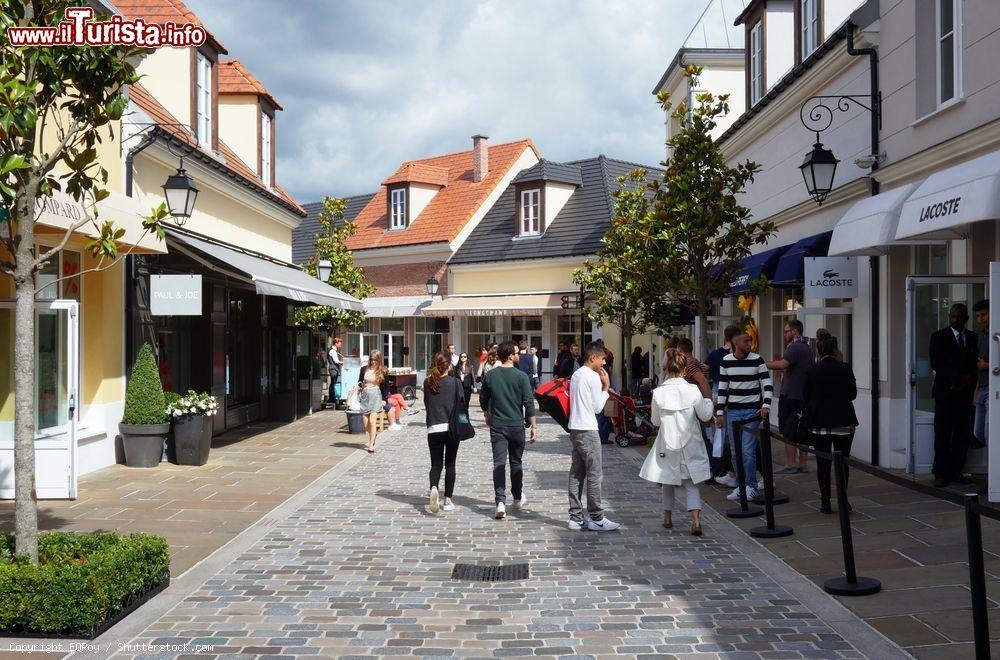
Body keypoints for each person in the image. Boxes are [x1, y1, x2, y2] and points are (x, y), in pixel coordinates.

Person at [641, 348, 714, 535]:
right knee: (691, 482)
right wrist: (709, 401)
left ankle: (667, 518)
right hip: (691, 440)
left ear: (666, 369)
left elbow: (656, 421)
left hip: (667, 440)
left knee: (667, 480)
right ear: (684, 369)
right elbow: (705, 416)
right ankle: (696, 521)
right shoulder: (692, 390)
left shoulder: (658, 393)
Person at [480, 341, 537, 519]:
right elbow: (528, 403)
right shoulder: (521, 377)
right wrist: (533, 425)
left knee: (499, 463)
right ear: (511, 356)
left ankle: (500, 502)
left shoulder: (491, 375)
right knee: (516, 462)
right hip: (516, 425)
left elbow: (483, 399)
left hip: (497, 425)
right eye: (517, 352)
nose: (519, 355)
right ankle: (518, 497)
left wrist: (487, 414)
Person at [567, 342, 620, 531]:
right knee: (594, 474)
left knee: (577, 473)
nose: (604, 363)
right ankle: (597, 517)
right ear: (593, 358)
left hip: (575, 426)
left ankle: (575, 517)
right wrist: (606, 388)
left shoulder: (576, 375)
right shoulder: (593, 377)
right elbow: (597, 407)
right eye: (602, 358)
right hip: (588, 428)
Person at [803, 336, 859, 514]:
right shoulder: (845, 368)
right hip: (843, 420)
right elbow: (853, 393)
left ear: (819, 351)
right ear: (835, 350)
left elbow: (806, 395)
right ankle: (843, 499)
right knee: (843, 463)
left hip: (820, 422)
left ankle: (825, 500)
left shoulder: (812, 370)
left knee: (823, 463)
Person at [715, 333, 772, 501]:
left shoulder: (757, 359)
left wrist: (765, 406)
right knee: (734, 452)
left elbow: (767, 385)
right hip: (733, 412)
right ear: (736, 342)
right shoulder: (726, 361)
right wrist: (719, 413)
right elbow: (723, 389)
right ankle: (741, 486)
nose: (749, 343)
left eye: (750, 340)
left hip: (752, 412)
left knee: (747, 450)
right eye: (746, 341)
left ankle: (751, 486)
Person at [929, 303, 978, 487]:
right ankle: (940, 472)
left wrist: (969, 379)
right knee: (942, 433)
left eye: (959, 317)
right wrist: (957, 379)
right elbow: (936, 363)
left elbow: (976, 364)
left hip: (965, 395)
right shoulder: (939, 337)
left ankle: (956, 470)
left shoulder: (973, 338)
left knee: (961, 434)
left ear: (966, 319)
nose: (955, 320)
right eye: (952, 317)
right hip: (945, 392)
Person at [766, 319, 814, 474]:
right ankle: (802, 464)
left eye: (787, 331)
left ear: (794, 331)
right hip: (803, 395)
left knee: (789, 430)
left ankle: (790, 463)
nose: (785, 333)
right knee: (802, 430)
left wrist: (761, 362)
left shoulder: (794, 347)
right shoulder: (807, 347)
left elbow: (781, 365)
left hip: (791, 395)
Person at [423, 352, 464, 514]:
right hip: (452, 427)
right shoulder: (455, 383)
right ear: (448, 365)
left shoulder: (428, 382)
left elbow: (427, 403)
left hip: (434, 427)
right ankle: (447, 500)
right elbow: (462, 405)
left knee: (436, 464)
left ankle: (434, 487)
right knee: (450, 464)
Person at [358, 350, 399, 452]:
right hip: (365, 396)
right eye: (371, 359)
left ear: (379, 360)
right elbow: (359, 381)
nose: (373, 361)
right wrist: (360, 384)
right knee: (365, 423)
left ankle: (371, 445)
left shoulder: (383, 371)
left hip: (376, 395)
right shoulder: (364, 369)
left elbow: (385, 387)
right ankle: (373, 433)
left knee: (372, 421)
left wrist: (385, 400)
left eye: (375, 360)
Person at [974, 300, 990, 448]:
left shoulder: (996, 334)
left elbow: (983, 365)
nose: (981, 319)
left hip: (994, 388)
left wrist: (988, 366)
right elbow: (978, 366)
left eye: (984, 314)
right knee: (978, 432)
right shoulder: (981, 335)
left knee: (988, 431)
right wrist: (976, 392)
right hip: (982, 387)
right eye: (978, 316)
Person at [327, 337, 344, 407]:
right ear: (336, 343)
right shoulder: (332, 351)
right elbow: (336, 361)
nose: (341, 345)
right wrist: (342, 362)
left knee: (333, 384)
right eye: (340, 343)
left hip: (334, 369)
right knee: (333, 384)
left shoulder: (334, 351)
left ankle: (333, 398)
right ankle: (332, 398)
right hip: (333, 369)